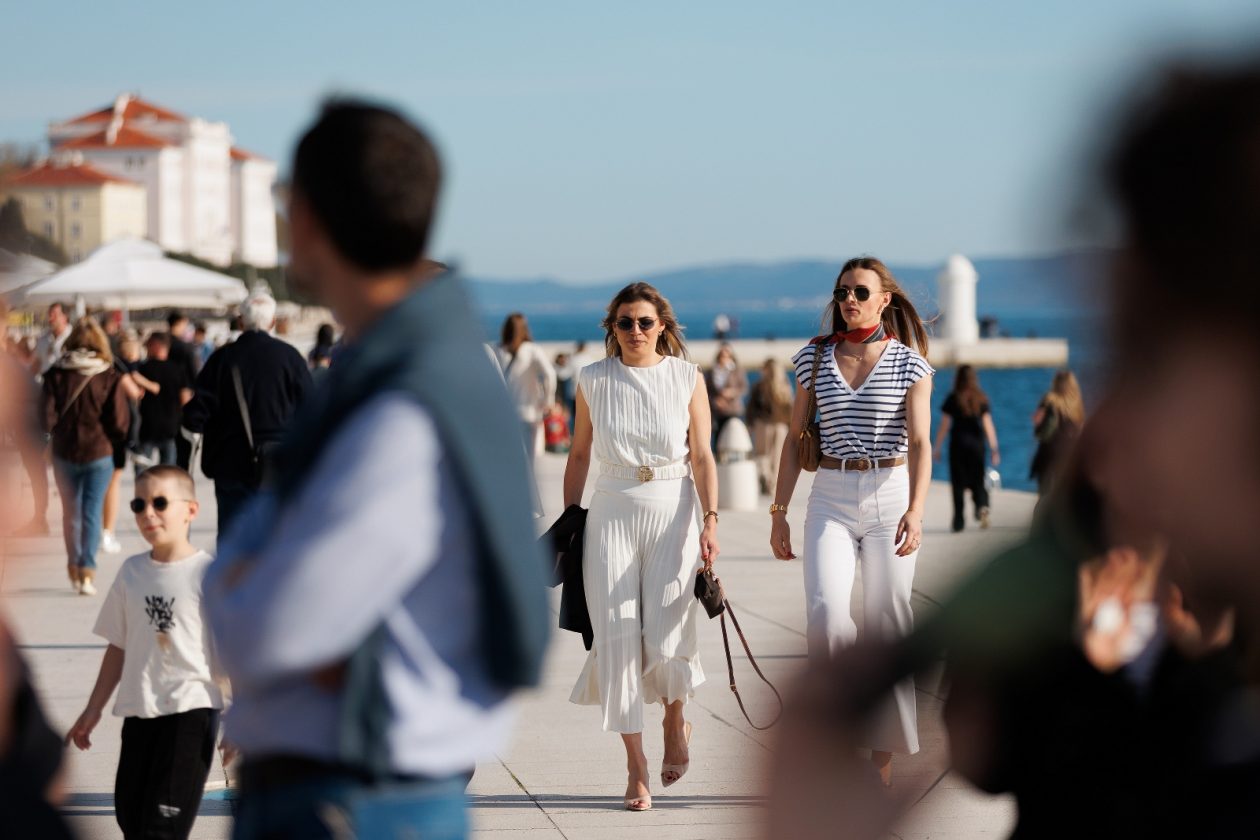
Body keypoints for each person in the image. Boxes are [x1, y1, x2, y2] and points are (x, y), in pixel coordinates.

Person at [203, 99, 550, 840]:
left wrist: (231, 578)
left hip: (353, 802)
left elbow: (265, 630)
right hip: (358, 792)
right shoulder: (398, 374)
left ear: (308, 220)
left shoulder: (400, 404)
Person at [768, 255, 933, 787]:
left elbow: (924, 443)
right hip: (831, 496)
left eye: (861, 292)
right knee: (826, 615)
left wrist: (917, 509)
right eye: (843, 292)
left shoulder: (910, 363)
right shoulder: (812, 360)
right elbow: (795, 442)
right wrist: (779, 511)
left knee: (888, 620)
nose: (850, 301)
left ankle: (881, 758)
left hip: (890, 494)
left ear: (885, 298)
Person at [564, 281, 720, 812]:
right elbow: (579, 455)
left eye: (645, 322)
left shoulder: (687, 378)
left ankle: (676, 719)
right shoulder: (592, 380)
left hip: (674, 507)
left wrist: (711, 521)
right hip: (609, 508)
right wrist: (571, 521)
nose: (635, 331)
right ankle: (636, 767)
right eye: (625, 322)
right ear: (612, 327)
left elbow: (702, 454)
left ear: (664, 328)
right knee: (616, 636)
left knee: (669, 629)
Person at [66, 465, 226, 840]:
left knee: (161, 827)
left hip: (191, 713)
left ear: (191, 510)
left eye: (159, 503)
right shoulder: (131, 573)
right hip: (140, 712)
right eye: (139, 504)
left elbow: (230, 652)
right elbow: (118, 645)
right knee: (130, 816)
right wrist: (93, 708)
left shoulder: (207, 575)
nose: (147, 513)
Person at [181, 290, 311, 534]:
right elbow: (311, 408)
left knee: (233, 539)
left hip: (231, 462)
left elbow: (195, 415)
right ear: (272, 322)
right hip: (278, 462)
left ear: (241, 321)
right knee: (277, 538)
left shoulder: (222, 359)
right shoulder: (290, 358)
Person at [41, 316, 130, 595]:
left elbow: (46, 417)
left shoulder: (56, 373)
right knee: (92, 512)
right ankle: (87, 570)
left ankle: (73, 566)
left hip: (64, 451)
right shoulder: (107, 375)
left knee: (71, 512)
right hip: (98, 451)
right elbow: (119, 420)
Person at [100, 333, 154, 555]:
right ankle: (106, 532)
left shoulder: (108, 367)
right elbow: (135, 393)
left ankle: (97, 532)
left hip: (94, 434)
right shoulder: (123, 372)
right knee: (112, 479)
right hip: (117, 432)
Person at [932, 365, 1000, 532]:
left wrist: (937, 447)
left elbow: (945, 425)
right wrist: (994, 448)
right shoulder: (981, 398)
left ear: (958, 378)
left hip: (958, 445)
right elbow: (987, 424)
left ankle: (959, 521)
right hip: (977, 446)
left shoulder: (953, 398)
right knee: (978, 479)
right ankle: (982, 505)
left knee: (958, 483)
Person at [497, 312, 556, 464]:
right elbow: (550, 374)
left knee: (507, 460)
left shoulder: (498, 350)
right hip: (529, 413)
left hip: (504, 414)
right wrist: (547, 401)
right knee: (528, 463)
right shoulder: (532, 350)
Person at [134, 332, 193, 471]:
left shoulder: (143, 369)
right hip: (171, 428)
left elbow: (136, 396)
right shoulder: (178, 369)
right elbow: (185, 398)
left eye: (148, 345)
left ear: (156, 346)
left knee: (142, 472)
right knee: (168, 473)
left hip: (147, 427)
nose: (146, 348)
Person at [1028, 369, 1083, 495]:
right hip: (1069, 453)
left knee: (1044, 495)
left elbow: (1037, 420)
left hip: (1048, 451)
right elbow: (1080, 428)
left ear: (1055, 383)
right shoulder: (1076, 404)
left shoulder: (1049, 400)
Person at [746, 357, 793, 496]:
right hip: (781, 426)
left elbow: (751, 408)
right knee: (777, 457)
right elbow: (790, 409)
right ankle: (772, 484)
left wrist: (749, 424)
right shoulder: (785, 387)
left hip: (764, 424)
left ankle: (767, 478)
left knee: (762, 455)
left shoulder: (759, 386)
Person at [165, 311, 198, 470]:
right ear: (179, 323)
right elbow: (194, 375)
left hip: (160, 402)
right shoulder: (185, 348)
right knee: (182, 451)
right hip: (182, 400)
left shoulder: (162, 343)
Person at [704, 342, 747, 447]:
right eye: (722, 354)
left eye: (727, 354)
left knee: (733, 438)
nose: (724, 357)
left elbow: (744, 388)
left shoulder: (737, 370)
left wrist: (731, 392)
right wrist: (715, 401)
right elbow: (707, 391)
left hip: (733, 411)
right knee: (718, 440)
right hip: (718, 412)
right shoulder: (712, 371)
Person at [34, 301, 71, 377]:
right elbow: (36, 363)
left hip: (66, 385)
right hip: (45, 385)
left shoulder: (73, 337)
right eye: (50, 314)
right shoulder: (42, 339)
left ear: (65, 317)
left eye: (55, 315)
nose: (50, 318)